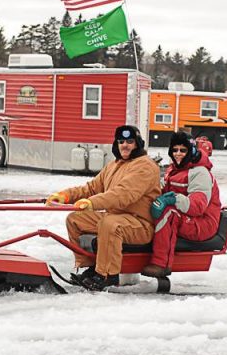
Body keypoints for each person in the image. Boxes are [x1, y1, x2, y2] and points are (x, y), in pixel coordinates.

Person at [46, 125, 161, 291]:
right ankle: (92, 268)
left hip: (140, 224)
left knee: (109, 224)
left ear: (138, 144)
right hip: (117, 217)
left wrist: (92, 203)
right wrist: (65, 196)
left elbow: (123, 194)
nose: (125, 145)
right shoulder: (114, 165)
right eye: (121, 141)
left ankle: (107, 276)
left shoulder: (145, 166)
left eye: (130, 141)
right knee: (75, 220)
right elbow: (91, 188)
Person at [141, 131, 222, 278]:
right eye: (175, 150)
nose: (178, 154)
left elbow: (198, 206)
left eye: (183, 150)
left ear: (191, 151)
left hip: (204, 222)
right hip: (189, 217)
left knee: (169, 213)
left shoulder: (200, 172)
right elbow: (162, 190)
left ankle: (161, 264)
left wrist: (173, 199)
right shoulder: (174, 170)